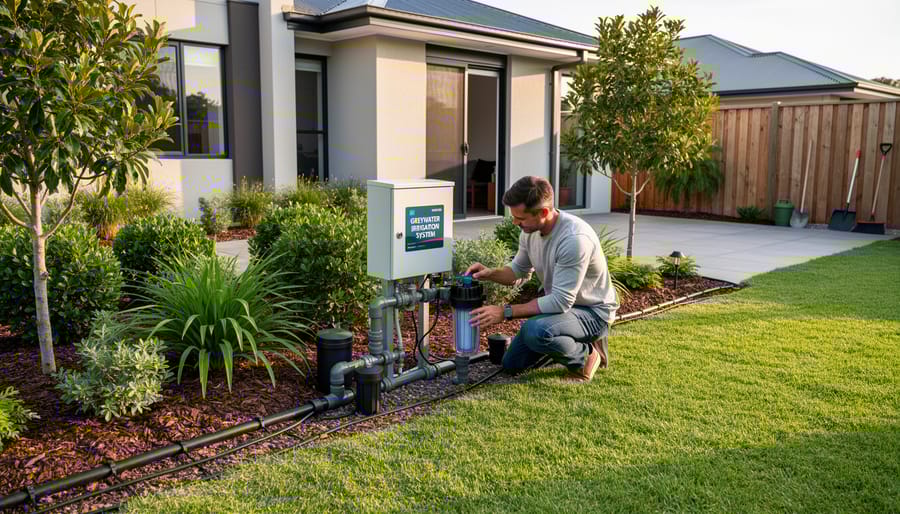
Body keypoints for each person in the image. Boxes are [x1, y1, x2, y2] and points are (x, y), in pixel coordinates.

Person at [465, 176, 619, 382]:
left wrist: (505, 312)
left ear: (544, 212)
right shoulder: (529, 231)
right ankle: (560, 342)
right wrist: (490, 273)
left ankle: (587, 355)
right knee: (511, 364)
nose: (515, 222)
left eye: (520, 217)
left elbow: (560, 301)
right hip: (564, 314)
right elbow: (518, 270)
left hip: (593, 312)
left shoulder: (574, 240)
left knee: (535, 330)